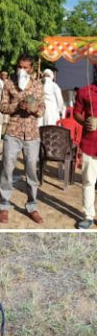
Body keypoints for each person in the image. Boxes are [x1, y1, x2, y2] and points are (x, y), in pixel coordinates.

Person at [0, 54, 45, 224]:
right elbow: (2, 107)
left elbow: (42, 109)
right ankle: (4, 206)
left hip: (32, 134)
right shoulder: (10, 83)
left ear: (31, 69)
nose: (22, 70)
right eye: (20, 67)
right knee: (7, 168)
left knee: (32, 171)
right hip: (13, 132)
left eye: (26, 67)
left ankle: (32, 206)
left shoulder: (38, 85)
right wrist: (16, 106)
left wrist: (32, 109)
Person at [75, 71, 97, 229]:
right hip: (90, 143)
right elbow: (76, 113)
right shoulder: (85, 91)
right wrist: (85, 122)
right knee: (89, 181)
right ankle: (88, 215)